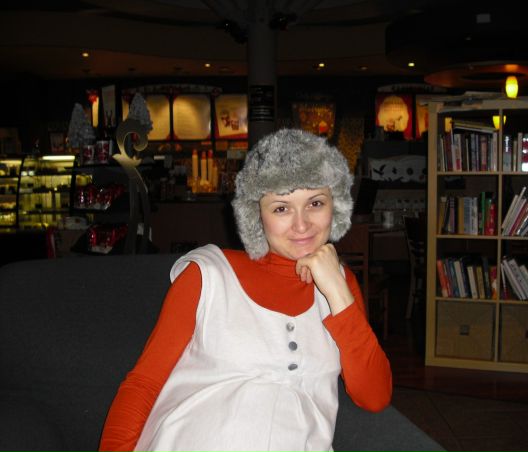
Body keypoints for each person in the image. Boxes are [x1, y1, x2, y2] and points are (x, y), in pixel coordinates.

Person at [98, 128, 392, 452]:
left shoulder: (341, 287)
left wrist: (338, 290)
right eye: (281, 208)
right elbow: (144, 383)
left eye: (315, 203)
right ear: (256, 214)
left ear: (335, 205)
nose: (302, 224)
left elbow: (374, 396)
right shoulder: (208, 275)